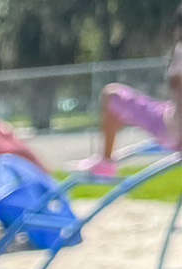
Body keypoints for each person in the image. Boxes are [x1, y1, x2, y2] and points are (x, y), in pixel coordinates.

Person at [76, 6, 182, 177]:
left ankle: (106, 161)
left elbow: (176, 86)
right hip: (171, 121)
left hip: (172, 130)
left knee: (112, 95)